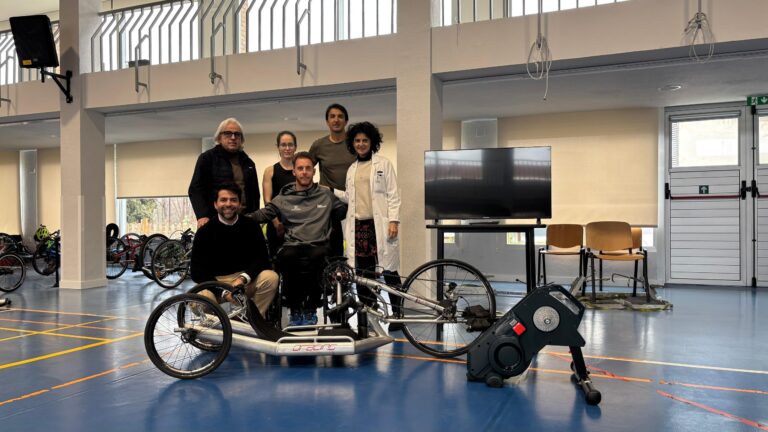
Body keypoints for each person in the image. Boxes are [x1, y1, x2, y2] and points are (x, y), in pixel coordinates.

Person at [247, 152, 347, 327]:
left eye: (308, 168)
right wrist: (240, 219)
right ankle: (294, 310)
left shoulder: (326, 195)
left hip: (318, 245)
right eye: (300, 168)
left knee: (317, 256)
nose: (304, 172)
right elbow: (264, 214)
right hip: (292, 246)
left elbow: (345, 210)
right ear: (294, 172)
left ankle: (310, 310)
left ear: (313, 172)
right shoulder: (284, 197)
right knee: (288, 257)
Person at [334, 122, 403, 328]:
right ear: (352, 144)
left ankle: (398, 314)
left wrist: (393, 220)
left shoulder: (383, 164)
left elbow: (393, 194)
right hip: (359, 227)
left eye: (365, 140)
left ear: (372, 142)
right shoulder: (352, 169)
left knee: (389, 270)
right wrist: (331, 191)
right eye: (357, 140)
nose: (361, 144)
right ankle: (369, 314)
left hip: (379, 226)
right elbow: (350, 197)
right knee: (364, 273)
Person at [190, 184, 279, 317]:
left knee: (271, 278)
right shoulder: (204, 232)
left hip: (243, 281)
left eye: (233, 200)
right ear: (215, 204)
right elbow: (197, 272)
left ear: (239, 203)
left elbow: (262, 260)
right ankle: (219, 329)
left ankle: (251, 320)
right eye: (223, 200)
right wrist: (223, 291)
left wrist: (242, 278)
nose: (228, 204)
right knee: (198, 300)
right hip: (215, 283)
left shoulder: (251, 226)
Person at [189, 118, 260, 229]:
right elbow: (196, 189)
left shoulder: (248, 163)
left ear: (241, 139)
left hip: (245, 221)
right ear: (219, 138)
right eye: (228, 133)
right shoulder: (207, 158)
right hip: (215, 221)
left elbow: (255, 194)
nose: (233, 137)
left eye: (237, 134)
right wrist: (202, 216)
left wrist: (255, 218)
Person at [309, 104, 356, 258]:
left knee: (358, 249)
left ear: (346, 120)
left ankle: (361, 281)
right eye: (332, 116)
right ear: (327, 121)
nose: (336, 120)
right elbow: (306, 169)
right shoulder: (319, 145)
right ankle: (333, 281)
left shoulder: (355, 143)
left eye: (340, 116)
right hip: (330, 205)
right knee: (333, 249)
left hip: (355, 202)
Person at [262, 131, 297, 258]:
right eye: (283, 145)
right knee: (277, 262)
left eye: (290, 145)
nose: (287, 148)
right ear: (278, 147)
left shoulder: (299, 170)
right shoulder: (270, 171)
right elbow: (267, 200)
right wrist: (277, 224)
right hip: (276, 225)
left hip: (297, 226)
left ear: (295, 147)